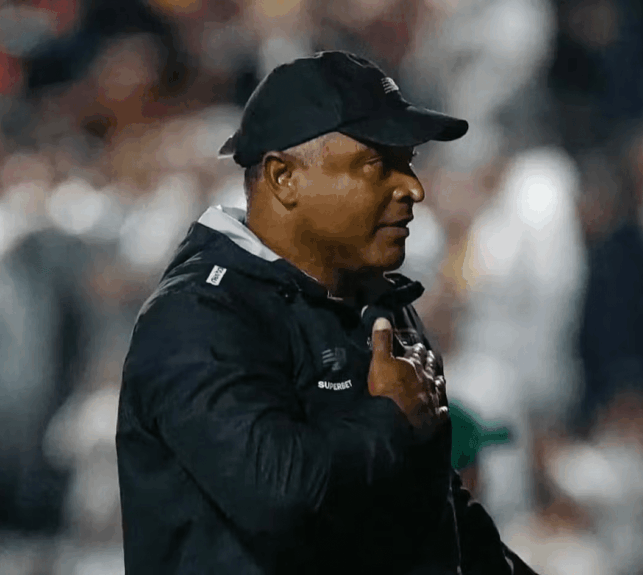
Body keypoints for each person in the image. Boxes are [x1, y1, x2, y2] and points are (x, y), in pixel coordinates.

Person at [115, 51, 539, 574]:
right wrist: (390, 418)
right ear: (283, 177)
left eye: (408, 161)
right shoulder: (197, 316)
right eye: (378, 165)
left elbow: (436, 514)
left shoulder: (381, 305)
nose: (413, 187)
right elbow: (277, 496)